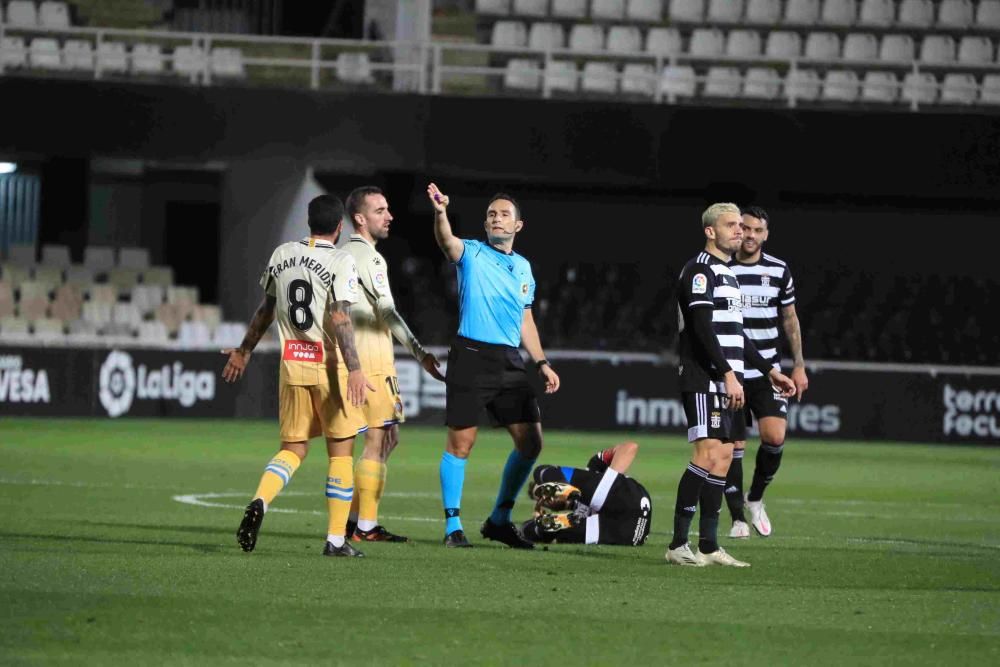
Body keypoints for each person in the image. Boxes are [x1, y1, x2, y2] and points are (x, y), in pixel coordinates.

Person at [222, 194, 373, 558]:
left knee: (293, 449)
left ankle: (260, 499)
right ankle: (336, 540)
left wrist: (243, 351)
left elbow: (266, 309)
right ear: (340, 227)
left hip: (291, 365)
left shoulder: (281, 254)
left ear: (309, 222)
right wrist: (354, 368)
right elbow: (339, 316)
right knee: (340, 452)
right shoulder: (341, 259)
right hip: (329, 366)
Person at [426, 182, 561, 549]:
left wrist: (542, 362)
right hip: (470, 355)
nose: (496, 219)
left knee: (531, 442)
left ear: (518, 225)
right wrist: (441, 213)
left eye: (504, 214)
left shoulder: (523, 268)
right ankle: (453, 526)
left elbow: (525, 319)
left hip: (509, 360)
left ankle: (499, 519)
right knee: (461, 444)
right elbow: (446, 241)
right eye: (491, 214)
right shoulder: (471, 252)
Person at [665, 203, 795, 568]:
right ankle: (677, 543)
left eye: (742, 225)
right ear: (710, 231)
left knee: (722, 459)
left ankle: (708, 545)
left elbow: (736, 334)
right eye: (731, 225)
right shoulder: (700, 271)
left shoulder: (727, 273)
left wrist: (768, 370)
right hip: (704, 377)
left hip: (725, 378)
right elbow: (702, 330)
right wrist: (726, 373)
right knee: (706, 456)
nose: (740, 231)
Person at [340, 185, 445, 543]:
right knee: (376, 441)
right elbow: (387, 312)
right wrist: (420, 352)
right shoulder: (370, 258)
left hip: (351, 358)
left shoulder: (340, 256)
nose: (389, 216)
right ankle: (365, 526)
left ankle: (354, 521)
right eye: (380, 210)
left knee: (387, 439)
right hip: (372, 359)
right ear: (360, 218)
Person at [725, 206, 809, 538]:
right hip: (732, 371)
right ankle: (736, 519)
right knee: (734, 446)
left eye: (757, 230)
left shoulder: (778, 270)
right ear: (737, 230)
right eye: (745, 228)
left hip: (769, 371)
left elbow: (789, 318)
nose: (750, 235)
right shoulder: (723, 269)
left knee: (774, 437)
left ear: (765, 234)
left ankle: (755, 498)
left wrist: (799, 364)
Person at [521, 442, 652, 547]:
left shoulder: (593, 467)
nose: (546, 499)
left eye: (546, 491)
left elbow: (630, 447)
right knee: (534, 529)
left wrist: (611, 481)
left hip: (632, 500)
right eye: (542, 500)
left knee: (540, 471)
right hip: (629, 535)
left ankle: (566, 487)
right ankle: (544, 523)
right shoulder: (575, 517)